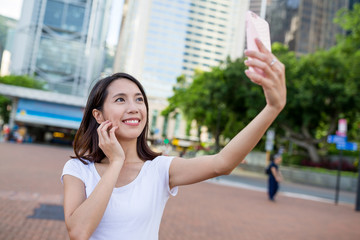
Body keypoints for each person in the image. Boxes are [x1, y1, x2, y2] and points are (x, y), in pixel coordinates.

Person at [61, 38, 286, 240]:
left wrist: (272, 108)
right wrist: (116, 162)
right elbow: (79, 232)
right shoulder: (78, 170)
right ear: (98, 115)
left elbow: (222, 163)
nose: (134, 108)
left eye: (139, 100)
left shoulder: (159, 169)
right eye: (120, 100)